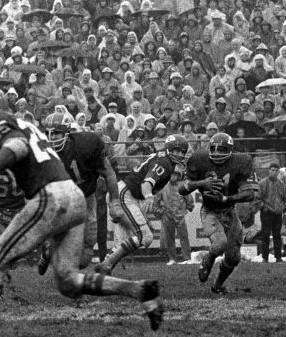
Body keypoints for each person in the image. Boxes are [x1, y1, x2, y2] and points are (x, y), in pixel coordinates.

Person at [0, 87, 162, 337]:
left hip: (51, 197)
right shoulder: (24, 124)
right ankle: (140, 290)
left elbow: (17, 146)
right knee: (67, 281)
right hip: (74, 197)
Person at [180, 132, 258, 294]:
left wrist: (226, 199)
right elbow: (182, 188)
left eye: (221, 149)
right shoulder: (199, 160)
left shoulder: (240, 162)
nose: (216, 153)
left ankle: (217, 286)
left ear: (230, 151)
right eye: (213, 149)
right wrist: (202, 182)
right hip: (210, 211)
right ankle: (207, 260)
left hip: (229, 211)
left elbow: (250, 194)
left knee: (233, 257)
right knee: (219, 244)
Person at [99, 133, 188, 273]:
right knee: (145, 237)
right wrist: (149, 197)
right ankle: (107, 264)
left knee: (126, 239)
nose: (180, 154)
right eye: (177, 150)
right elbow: (146, 184)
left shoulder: (164, 159)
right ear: (169, 149)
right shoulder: (164, 162)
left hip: (127, 194)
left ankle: (105, 266)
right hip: (126, 194)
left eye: (182, 151)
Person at [47, 116, 120, 269]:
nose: (53, 137)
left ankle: (55, 256)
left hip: (87, 197)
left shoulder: (86, 145)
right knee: (62, 238)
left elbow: (109, 173)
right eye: (50, 133)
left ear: (67, 133)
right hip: (62, 198)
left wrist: (114, 202)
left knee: (87, 249)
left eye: (57, 133)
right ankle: (48, 253)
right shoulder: (43, 151)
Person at [256, 164, 286, 263]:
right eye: (272, 170)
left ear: (278, 172)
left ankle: (278, 257)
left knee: (277, 235)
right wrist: (264, 207)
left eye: (276, 170)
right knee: (265, 235)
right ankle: (265, 258)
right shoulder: (262, 183)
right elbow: (258, 199)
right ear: (269, 171)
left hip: (278, 213)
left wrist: (283, 207)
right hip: (266, 213)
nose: (274, 172)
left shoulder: (282, 184)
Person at [154, 179, 192, 264]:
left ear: (178, 175)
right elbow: (156, 201)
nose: (173, 176)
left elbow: (189, 198)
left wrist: (189, 207)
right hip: (167, 216)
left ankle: (187, 258)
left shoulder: (182, 185)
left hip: (180, 215)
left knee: (184, 236)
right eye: (172, 174)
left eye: (176, 174)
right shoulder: (162, 186)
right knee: (169, 238)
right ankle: (172, 259)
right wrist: (160, 212)